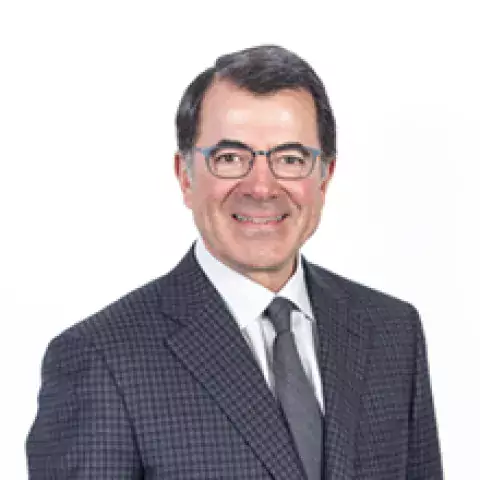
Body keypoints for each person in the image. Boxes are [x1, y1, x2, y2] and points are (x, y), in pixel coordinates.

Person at [26, 45, 443, 479]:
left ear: (325, 177)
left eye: (290, 159)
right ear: (185, 176)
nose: (261, 187)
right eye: (230, 158)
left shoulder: (393, 332)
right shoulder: (101, 359)